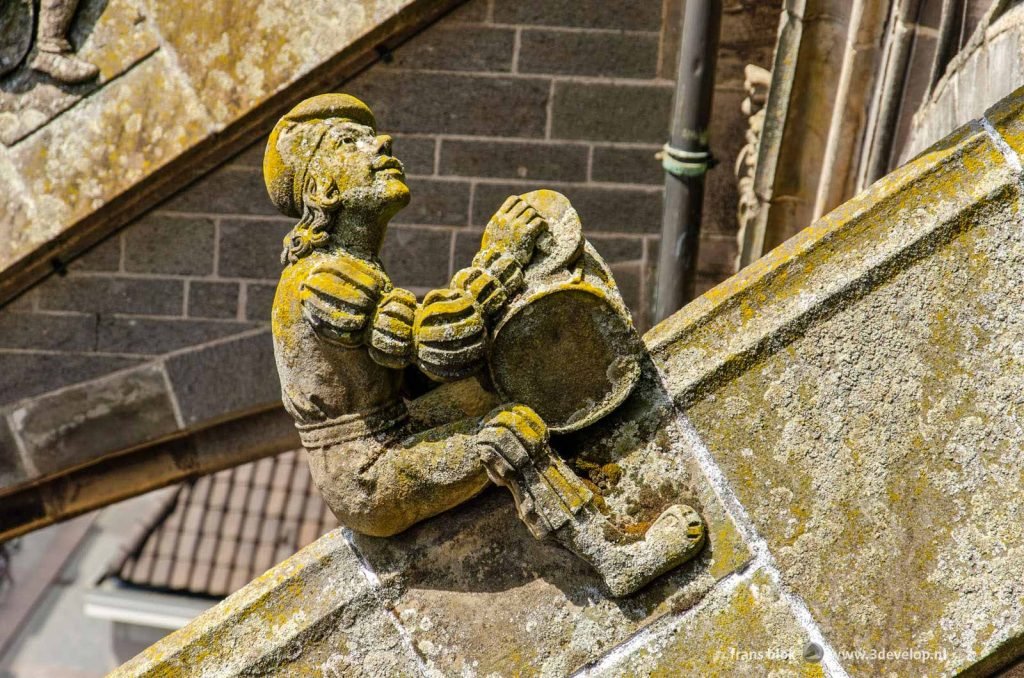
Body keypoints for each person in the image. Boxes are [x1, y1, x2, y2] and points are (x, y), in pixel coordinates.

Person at [265, 93, 705, 596]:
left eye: (371, 135)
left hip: (397, 429)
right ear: (324, 188)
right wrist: (502, 257)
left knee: (499, 382)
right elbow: (436, 341)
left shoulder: (355, 268)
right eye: (351, 142)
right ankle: (614, 560)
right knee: (507, 431)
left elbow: (430, 366)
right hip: (369, 474)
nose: (380, 142)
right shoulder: (321, 280)